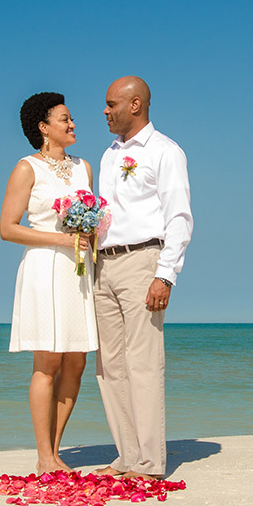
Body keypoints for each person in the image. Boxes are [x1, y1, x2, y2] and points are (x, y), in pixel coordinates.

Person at [93, 76, 192, 481]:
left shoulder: (165, 152)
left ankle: (151, 462)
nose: (104, 110)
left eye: (111, 103)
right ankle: (127, 456)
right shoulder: (108, 155)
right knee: (109, 366)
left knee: (143, 363)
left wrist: (164, 275)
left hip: (143, 261)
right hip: (103, 263)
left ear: (135, 105)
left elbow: (180, 218)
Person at [0, 92, 98, 474]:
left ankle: (54, 452)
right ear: (43, 128)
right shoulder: (27, 168)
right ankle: (44, 456)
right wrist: (61, 239)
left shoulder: (83, 168)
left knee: (76, 362)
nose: (72, 124)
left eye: (71, 118)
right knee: (48, 362)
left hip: (78, 272)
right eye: (64, 119)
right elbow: (7, 229)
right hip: (44, 269)